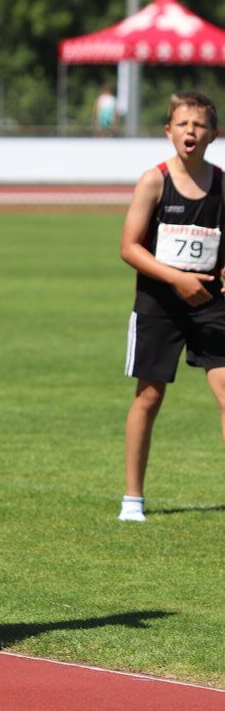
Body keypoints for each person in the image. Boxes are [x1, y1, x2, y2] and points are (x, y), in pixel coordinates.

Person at [120, 91, 224, 522]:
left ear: (214, 134)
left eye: (199, 125)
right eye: (182, 124)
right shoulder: (154, 181)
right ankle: (133, 499)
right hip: (159, 303)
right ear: (169, 130)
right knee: (149, 395)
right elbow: (129, 247)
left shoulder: (222, 184)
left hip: (211, 303)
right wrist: (177, 279)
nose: (190, 131)